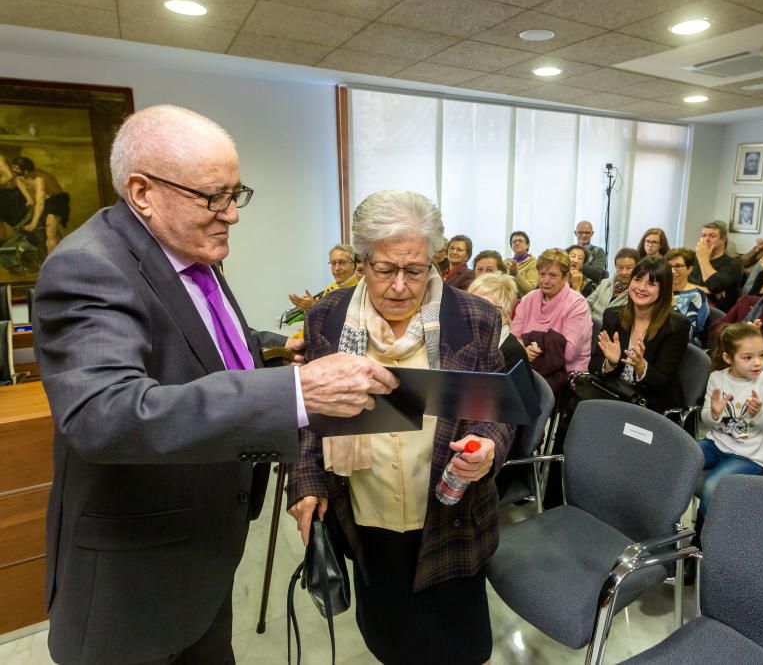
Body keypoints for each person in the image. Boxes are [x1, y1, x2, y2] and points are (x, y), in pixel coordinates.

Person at [33, 105, 397, 665]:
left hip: (201, 559)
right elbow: (105, 414)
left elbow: (199, 334)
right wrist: (295, 393)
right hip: (135, 582)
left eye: (236, 194)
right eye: (213, 197)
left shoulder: (185, 249)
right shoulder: (89, 267)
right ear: (143, 192)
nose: (232, 214)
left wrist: (276, 346)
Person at [286, 190, 514, 665]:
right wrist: (305, 482)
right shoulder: (326, 317)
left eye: (415, 270)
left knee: (461, 644)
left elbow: (496, 410)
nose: (400, 286)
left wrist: (488, 448)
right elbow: (310, 412)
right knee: (390, 636)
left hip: (449, 512)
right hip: (367, 512)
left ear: (435, 259)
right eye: (385, 269)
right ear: (361, 261)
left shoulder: (473, 318)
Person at [694, 322, 763, 553]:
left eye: (762, 355)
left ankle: (700, 545)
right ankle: (666, 528)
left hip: (748, 456)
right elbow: (707, 420)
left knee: (713, 486)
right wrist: (714, 412)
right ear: (728, 357)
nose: (757, 362)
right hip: (716, 444)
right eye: (748, 357)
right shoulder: (717, 378)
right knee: (683, 458)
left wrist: (758, 414)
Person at [591, 256, 689, 412]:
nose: (641, 288)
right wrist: (611, 363)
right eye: (637, 280)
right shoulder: (612, 316)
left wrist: (641, 367)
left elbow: (663, 382)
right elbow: (594, 364)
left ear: (663, 289)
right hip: (616, 393)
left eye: (651, 283)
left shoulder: (676, 326)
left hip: (651, 402)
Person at [511, 248, 592, 374]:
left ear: (566, 277)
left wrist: (526, 342)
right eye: (542, 274)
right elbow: (512, 340)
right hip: (530, 369)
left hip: (565, 375)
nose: (545, 281)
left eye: (553, 275)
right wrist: (524, 350)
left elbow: (568, 354)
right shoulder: (528, 299)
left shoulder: (577, 304)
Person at [469, 271, 527, 371]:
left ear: (505, 316)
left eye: (486, 307)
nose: (476, 311)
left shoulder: (513, 352)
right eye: (472, 304)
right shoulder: (467, 341)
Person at [12, 155, 69, 254]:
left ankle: (51, 264)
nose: (13, 169)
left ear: (25, 171)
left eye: (16, 168)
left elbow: (40, 203)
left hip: (57, 201)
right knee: (53, 234)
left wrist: (33, 224)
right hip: (46, 202)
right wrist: (28, 198)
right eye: (13, 166)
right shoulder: (19, 177)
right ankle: (62, 255)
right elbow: (18, 182)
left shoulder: (39, 179)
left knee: (50, 234)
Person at [287, 243, 360, 314]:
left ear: (354, 265)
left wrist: (312, 307)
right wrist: (308, 308)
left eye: (342, 262)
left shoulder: (359, 289)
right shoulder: (331, 287)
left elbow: (341, 320)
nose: (337, 268)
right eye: (333, 263)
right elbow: (321, 319)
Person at [690, 221, 743, 312]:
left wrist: (703, 259)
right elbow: (678, 283)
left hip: (716, 313)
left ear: (723, 240)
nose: (706, 239)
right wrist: (707, 290)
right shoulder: (692, 259)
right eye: (703, 235)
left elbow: (714, 286)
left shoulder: (733, 264)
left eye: (712, 236)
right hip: (691, 305)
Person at [666, 247, 710, 344]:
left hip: (684, 346)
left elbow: (690, 333)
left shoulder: (696, 295)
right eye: (669, 266)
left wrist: (673, 305)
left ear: (689, 269)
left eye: (678, 266)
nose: (672, 271)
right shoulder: (658, 290)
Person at [588, 247, 639, 323]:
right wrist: (587, 319)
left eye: (629, 268)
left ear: (637, 268)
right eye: (620, 268)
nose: (624, 272)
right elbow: (588, 302)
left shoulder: (638, 292)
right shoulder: (605, 283)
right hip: (591, 324)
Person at [504, 230, 537, 296]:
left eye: (520, 241)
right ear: (511, 246)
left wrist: (516, 274)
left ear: (527, 245)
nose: (517, 243)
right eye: (514, 241)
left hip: (523, 301)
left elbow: (531, 290)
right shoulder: (505, 262)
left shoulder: (534, 262)